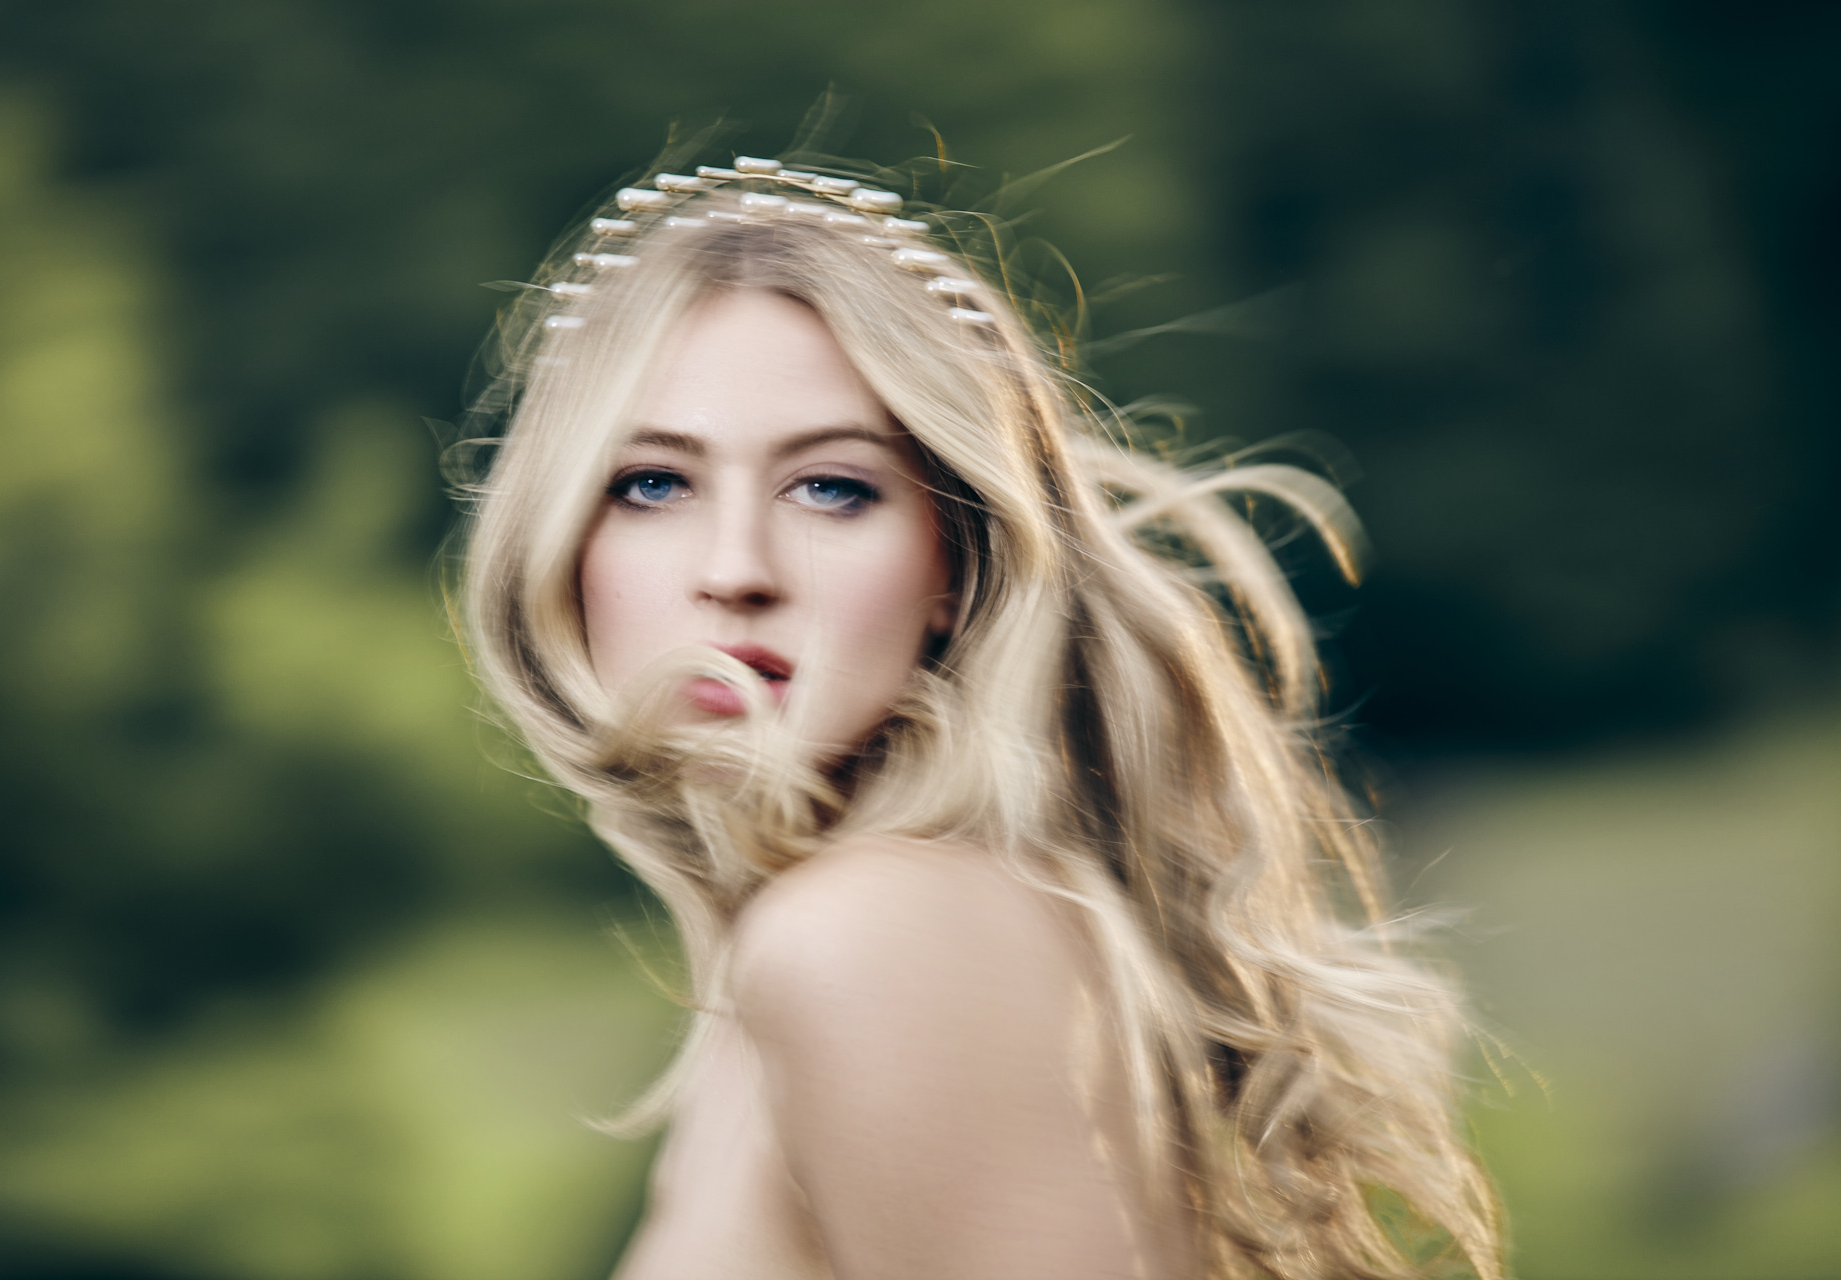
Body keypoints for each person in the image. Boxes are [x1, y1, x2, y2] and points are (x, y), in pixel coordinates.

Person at [455, 147, 1501, 1280]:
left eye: (832, 486)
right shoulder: (826, 932)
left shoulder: (870, 933)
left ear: (955, 562)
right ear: (563, 536)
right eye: (653, 482)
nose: (735, 568)